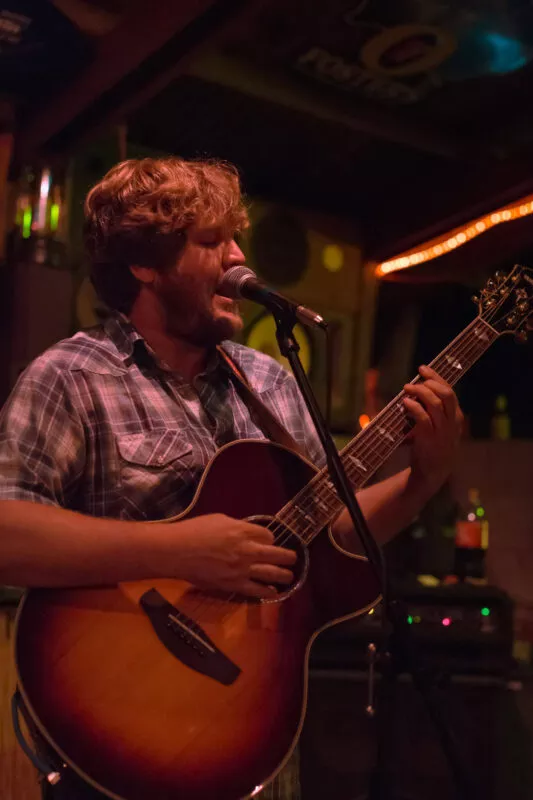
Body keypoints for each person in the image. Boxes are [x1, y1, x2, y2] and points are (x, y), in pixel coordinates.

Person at [0, 157, 463, 799]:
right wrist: (182, 550)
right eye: (212, 241)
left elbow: (327, 536)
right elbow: (7, 533)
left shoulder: (270, 381)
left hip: (252, 728)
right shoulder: (72, 376)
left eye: (234, 238)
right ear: (144, 264)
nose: (239, 256)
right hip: (117, 724)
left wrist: (423, 480)